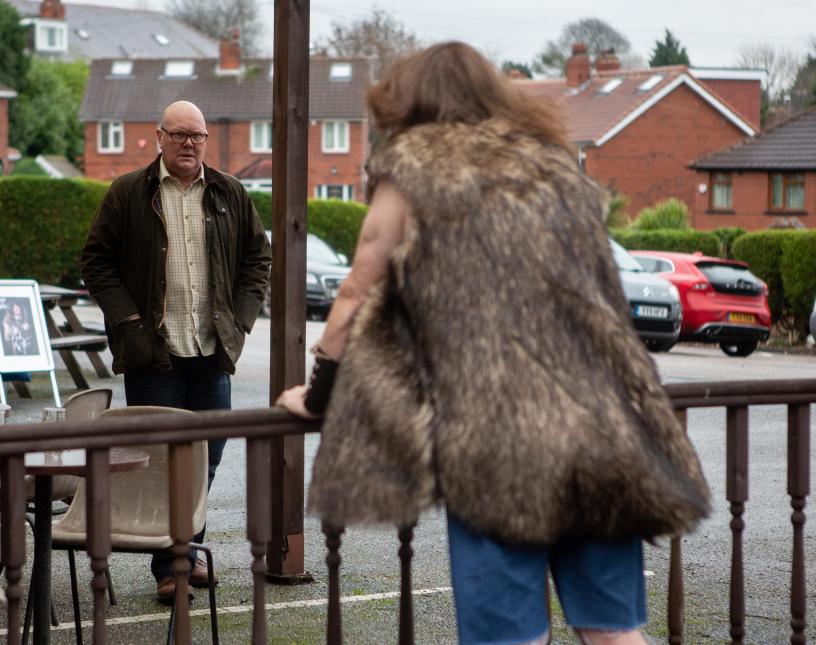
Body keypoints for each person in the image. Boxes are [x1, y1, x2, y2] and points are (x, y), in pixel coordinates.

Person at [277, 42, 710, 644]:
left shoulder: (412, 169)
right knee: (616, 635)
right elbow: (608, 301)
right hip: (604, 433)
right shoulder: (553, 166)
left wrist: (320, 396)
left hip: (498, 445)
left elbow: (354, 294)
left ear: (406, 100)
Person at [80, 100, 271, 603]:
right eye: (180, 134)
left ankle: (188, 554)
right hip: (155, 353)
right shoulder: (128, 193)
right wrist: (131, 322)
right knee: (162, 462)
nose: (189, 143)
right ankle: (170, 568)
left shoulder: (230, 192)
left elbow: (259, 260)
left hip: (211, 352)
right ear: (159, 137)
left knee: (205, 459)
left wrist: (240, 319)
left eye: (198, 136)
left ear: (207, 141)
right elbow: (95, 261)